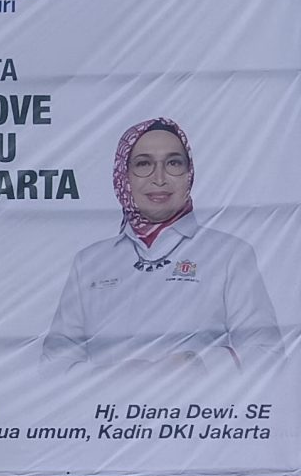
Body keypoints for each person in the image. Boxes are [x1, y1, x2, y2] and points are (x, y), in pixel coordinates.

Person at [41, 117, 280, 369]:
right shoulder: (90, 262)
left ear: (189, 174)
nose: (159, 178)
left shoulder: (229, 254)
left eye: (173, 163)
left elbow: (266, 354)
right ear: (124, 177)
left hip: (197, 407)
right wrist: (109, 376)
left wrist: (197, 363)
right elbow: (55, 363)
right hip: (107, 407)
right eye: (143, 164)